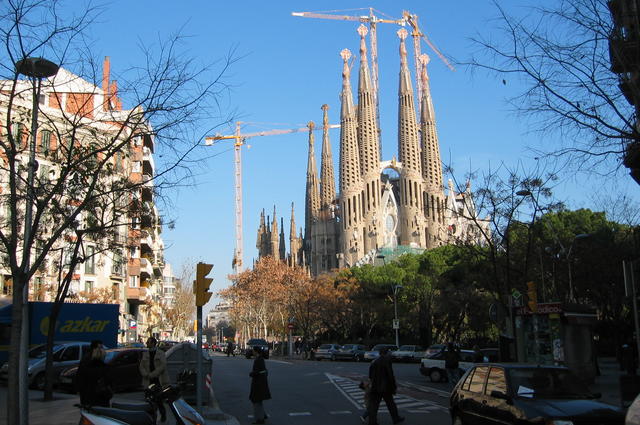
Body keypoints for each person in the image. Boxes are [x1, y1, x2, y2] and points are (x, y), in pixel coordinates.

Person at [367, 346, 404, 425]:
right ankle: (396, 418)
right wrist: (393, 386)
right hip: (386, 387)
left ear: (380, 353)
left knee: (374, 405)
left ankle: (372, 421)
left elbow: (370, 375)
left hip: (375, 386)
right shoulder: (387, 361)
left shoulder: (374, 362)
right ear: (386, 353)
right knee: (391, 404)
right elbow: (390, 375)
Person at [140, 336, 170, 422]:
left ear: (153, 343)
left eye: (148, 342)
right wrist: (145, 374)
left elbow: (162, 366)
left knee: (159, 401)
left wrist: (153, 374)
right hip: (148, 381)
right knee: (148, 401)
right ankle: (150, 418)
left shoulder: (160, 353)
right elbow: (141, 366)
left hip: (158, 381)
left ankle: (163, 416)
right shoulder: (145, 354)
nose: (146, 343)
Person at [249, 346, 271, 424]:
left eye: (253, 351)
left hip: (259, 383)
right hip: (260, 382)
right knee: (258, 400)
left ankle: (260, 419)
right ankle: (262, 415)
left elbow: (258, 371)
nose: (252, 352)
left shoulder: (259, 359)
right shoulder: (259, 359)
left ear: (256, 351)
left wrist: (252, 374)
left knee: (256, 400)